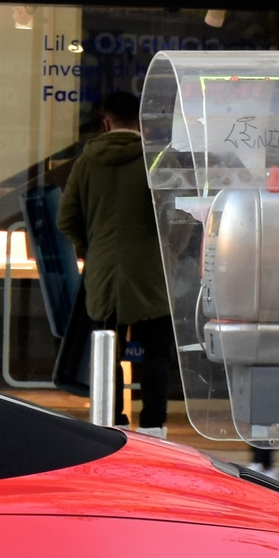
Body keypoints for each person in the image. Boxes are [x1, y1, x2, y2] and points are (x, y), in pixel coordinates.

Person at [57, 89, 177, 437]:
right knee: (156, 350)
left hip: (103, 271)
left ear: (105, 122)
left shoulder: (86, 162)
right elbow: (173, 214)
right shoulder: (154, 161)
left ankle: (112, 421)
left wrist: (89, 249)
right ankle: (154, 426)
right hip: (152, 271)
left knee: (108, 346)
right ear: (141, 123)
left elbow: (66, 218)